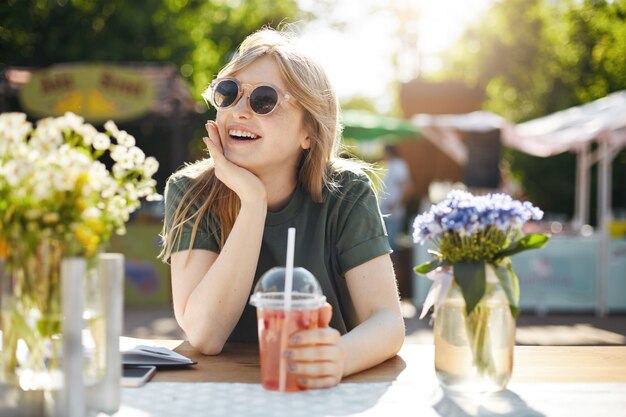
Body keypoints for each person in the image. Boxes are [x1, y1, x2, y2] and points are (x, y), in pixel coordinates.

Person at [159, 27, 404, 390]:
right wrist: (253, 202)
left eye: (263, 100)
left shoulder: (346, 193)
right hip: (220, 396)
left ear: (309, 131)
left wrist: (340, 357)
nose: (239, 112)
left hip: (319, 392)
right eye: (228, 94)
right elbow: (205, 335)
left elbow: (386, 321)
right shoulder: (190, 191)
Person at [379, 144, 412, 250]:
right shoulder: (389, 165)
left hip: (393, 211)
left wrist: (397, 204)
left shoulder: (398, 165)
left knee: (391, 244)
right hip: (385, 209)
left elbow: (407, 187)